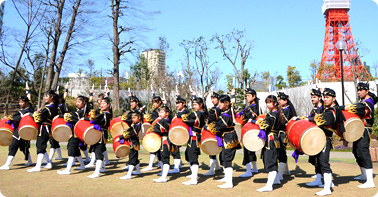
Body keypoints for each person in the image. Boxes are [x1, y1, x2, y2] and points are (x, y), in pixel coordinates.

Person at [307, 88, 345, 196]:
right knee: (319, 162)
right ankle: (323, 182)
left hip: (325, 140)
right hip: (320, 139)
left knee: (324, 164)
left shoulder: (332, 111)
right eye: (324, 97)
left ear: (334, 98)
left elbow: (323, 119)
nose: (325, 99)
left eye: (327, 97)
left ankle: (327, 188)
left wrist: (308, 119)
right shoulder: (327, 109)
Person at [341, 82, 377, 189]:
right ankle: (363, 175)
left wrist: (341, 107)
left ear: (366, 91)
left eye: (361, 90)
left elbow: (355, 108)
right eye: (358, 90)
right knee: (356, 151)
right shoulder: (363, 101)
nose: (359, 92)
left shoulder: (368, 102)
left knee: (363, 152)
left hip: (364, 130)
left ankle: (370, 181)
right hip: (359, 129)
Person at [208, 94, 241, 189]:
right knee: (223, 158)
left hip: (229, 138)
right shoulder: (225, 112)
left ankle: (229, 182)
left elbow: (220, 125)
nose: (219, 104)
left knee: (227, 159)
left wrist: (209, 127)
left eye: (222, 102)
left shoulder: (226, 114)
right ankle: (227, 177)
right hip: (226, 137)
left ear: (227, 103)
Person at [256, 95, 286, 192]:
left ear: (275, 103)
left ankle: (269, 186)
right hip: (274, 138)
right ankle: (276, 180)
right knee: (271, 159)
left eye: (270, 102)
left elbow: (265, 125)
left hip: (271, 139)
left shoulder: (273, 115)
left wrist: (255, 121)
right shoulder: (277, 114)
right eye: (267, 102)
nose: (268, 104)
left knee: (271, 161)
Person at [56, 95, 91, 175]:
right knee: (75, 149)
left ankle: (68, 169)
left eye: (79, 101)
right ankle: (82, 165)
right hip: (75, 132)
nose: (77, 103)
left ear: (84, 102)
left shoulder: (84, 111)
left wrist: (60, 115)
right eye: (76, 101)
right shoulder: (80, 111)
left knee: (71, 148)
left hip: (77, 133)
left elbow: (72, 116)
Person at [0, 89, 34, 170]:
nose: (20, 103)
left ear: (26, 103)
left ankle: (7, 165)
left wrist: (8, 118)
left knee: (13, 146)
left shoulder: (26, 111)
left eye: (22, 102)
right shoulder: (28, 109)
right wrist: (28, 92)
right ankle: (29, 161)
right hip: (23, 131)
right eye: (19, 102)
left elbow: (17, 117)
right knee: (23, 147)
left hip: (19, 131)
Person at [27, 90, 58, 172]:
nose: (45, 98)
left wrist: (30, 114)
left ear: (52, 97)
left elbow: (38, 116)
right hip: (43, 127)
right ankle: (48, 163)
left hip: (45, 127)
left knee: (40, 145)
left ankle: (38, 166)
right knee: (40, 145)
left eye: (46, 96)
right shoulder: (49, 106)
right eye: (45, 96)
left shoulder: (50, 107)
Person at [182, 97, 206, 185]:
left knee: (193, 156)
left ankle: (194, 179)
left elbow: (185, 118)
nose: (194, 107)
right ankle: (193, 174)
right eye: (193, 105)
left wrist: (181, 115)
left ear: (201, 105)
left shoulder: (198, 113)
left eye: (195, 105)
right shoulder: (201, 113)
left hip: (195, 137)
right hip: (193, 136)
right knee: (188, 155)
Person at [86, 97, 112, 178]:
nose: (102, 105)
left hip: (101, 134)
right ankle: (103, 167)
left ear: (108, 105)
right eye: (101, 103)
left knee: (98, 152)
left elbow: (97, 119)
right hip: (98, 133)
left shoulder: (106, 114)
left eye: (104, 103)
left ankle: (97, 172)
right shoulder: (101, 113)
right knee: (98, 150)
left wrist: (92, 117)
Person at [237, 88, 260, 177]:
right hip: (252, 130)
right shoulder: (254, 106)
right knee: (251, 150)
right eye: (246, 96)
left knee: (248, 150)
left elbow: (248, 119)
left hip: (249, 130)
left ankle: (248, 171)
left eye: (248, 96)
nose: (247, 97)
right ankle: (254, 168)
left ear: (254, 96)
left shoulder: (252, 107)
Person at [305, 88, 326, 186]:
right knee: (315, 158)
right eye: (311, 97)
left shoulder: (323, 109)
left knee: (322, 159)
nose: (312, 99)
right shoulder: (314, 109)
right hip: (314, 136)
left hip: (322, 136)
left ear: (319, 98)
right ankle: (318, 177)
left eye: (314, 97)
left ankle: (323, 179)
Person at [120, 94, 144, 170]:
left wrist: (123, 136)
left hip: (134, 136)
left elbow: (129, 121)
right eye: (130, 102)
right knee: (133, 155)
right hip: (132, 136)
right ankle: (137, 170)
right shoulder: (133, 112)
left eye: (133, 102)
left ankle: (130, 171)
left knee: (133, 155)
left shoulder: (139, 113)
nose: (131, 104)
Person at [276, 92, 296, 180]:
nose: (279, 101)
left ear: (285, 101)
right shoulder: (283, 109)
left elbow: (283, 122)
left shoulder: (286, 110)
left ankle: (280, 174)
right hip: (281, 133)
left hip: (282, 133)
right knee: (281, 152)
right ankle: (286, 171)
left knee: (281, 152)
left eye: (280, 100)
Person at [142, 94, 163, 171]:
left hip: (160, 131)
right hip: (155, 131)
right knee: (154, 148)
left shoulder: (162, 110)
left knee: (158, 149)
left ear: (159, 102)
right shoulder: (155, 111)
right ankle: (152, 165)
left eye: (155, 102)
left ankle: (161, 166)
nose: (154, 104)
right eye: (153, 102)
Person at [168, 95, 188, 174]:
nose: (177, 105)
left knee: (176, 149)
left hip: (181, 132)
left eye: (179, 103)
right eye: (176, 103)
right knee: (174, 149)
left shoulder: (185, 111)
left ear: (183, 104)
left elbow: (184, 116)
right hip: (176, 132)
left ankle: (177, 167)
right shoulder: (179, 113)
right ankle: (178, 165)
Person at [203, 91, 221, 176]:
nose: (213, 100)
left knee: (213, 150)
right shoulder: (213, 109)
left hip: (217, 131)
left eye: (214, 98)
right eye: (212, 98)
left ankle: (212, 169)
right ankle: (216, 167)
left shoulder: (219, 109)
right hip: (213, 130)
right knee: (213, 150)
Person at [119, 111, 142, 180]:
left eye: (134, 118)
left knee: (132, 158)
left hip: (134, 143)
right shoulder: (135, 124)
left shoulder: (137, 126)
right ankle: (138, 171)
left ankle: (129, 174)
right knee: (135, 157)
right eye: (132, 118)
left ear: (139, 117)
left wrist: (121, 137)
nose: (133, 119)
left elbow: (131, 134)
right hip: (133, 142)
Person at [152, 105, 172, 183]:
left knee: (165, 159)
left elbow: (156, 129)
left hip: (165, 141)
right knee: (163, 158)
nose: (160, 113)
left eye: (162, 112)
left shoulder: (163, 121)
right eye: (159, 112)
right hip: (163, 141)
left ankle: (164, 177)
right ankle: (163, 174)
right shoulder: (164, 120)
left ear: (167, 113)